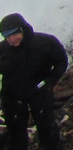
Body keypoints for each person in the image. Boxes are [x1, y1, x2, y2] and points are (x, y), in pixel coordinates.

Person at [0, 13, 68, 150]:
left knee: (47, 128)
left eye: (14, 35)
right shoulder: (2, 50)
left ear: (23, 29)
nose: (11, 40)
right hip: (12, 96)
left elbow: (61, 60)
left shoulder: (44, 43)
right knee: (16, 134)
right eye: (7, 36)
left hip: (39, 91)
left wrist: (51, 81)